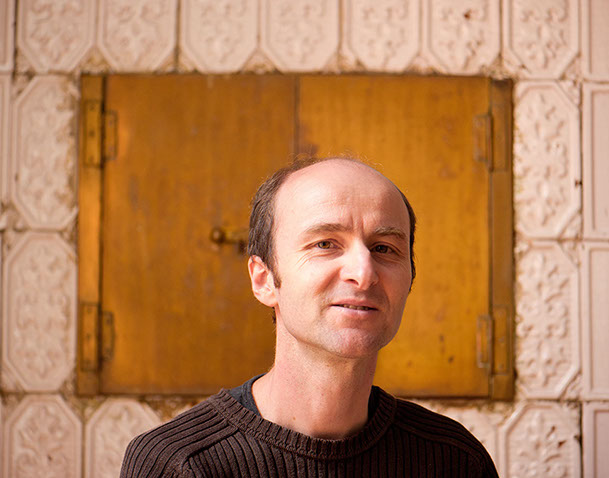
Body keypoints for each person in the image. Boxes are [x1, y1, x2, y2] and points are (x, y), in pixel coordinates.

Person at [120, 157, 499, 477]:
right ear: (264, 279)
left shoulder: (454, 461)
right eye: (325, 244)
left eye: (384, 248)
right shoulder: (179, 465)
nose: (364, 272)